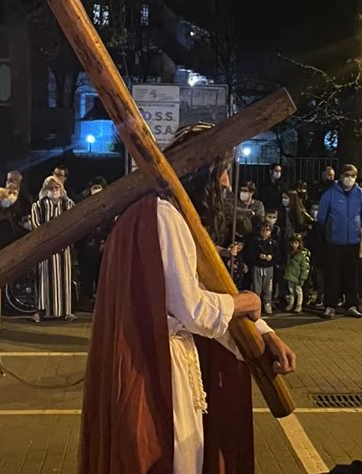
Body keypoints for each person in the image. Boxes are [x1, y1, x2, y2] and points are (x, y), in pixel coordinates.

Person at [79, 123, 296, 474]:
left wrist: (263, 331)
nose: (226, 184)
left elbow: (206, 291)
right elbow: (193, 308)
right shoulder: (163, 215)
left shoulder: (160, 213)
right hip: (157, 369)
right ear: (202, 171)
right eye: (223, 172)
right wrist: (248, 303)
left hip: (160, 360)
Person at [317, 163, 362, 319]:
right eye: (347, 175)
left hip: (353, 242)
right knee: (332, 276)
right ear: (341, 176)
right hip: (334, 242)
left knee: (351, 276)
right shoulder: (330, 194)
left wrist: (355, 228)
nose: (350, 179)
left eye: (353, 176)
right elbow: (321, 216)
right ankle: (330, 306)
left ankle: (352, 305)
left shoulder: (361, 194)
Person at [30, 176, 76, 323]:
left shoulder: (68, 204)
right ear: (45, 190)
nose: (54, 191)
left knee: (64, 278)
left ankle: (66, 311)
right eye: (51, 188)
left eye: (57, 188)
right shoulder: (38, 205)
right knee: (43, 279)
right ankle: (40, 311)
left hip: (64, 248)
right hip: (44, 249)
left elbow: (75, 222)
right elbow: (36, 225)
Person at [75, 179, 112, 310]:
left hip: (102, 245)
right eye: (94, 187)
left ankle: (100, 301)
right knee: (87, 275)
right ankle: (86, 301)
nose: (96, 190)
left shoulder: (108, 203)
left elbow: (109, 223)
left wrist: (103, 240)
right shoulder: (84, 204)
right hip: (86, 247)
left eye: (99, 187)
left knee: (101, 275)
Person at [246, 223, 279, 315]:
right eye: (263, 230)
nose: (265, 233)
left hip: (269, 267)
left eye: (267, 230)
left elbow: (277, 255)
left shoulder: (274, 243)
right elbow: (251, 254)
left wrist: (271, 256)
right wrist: (258, 256)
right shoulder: (255, 242)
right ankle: (256, 304)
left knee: (268, 287)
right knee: (257, 287)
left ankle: (267, 303)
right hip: (258, 267)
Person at [284, 234, 310, 313]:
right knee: (291, 291)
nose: (294, 245)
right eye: (292, 243)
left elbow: (304, 267)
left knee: (298, 292)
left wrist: (302, 278)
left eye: (296, 243)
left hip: (297, 277)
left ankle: (299, 305)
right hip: (290, 276)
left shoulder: (301, 255)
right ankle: (291, 304)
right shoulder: (289, 253)